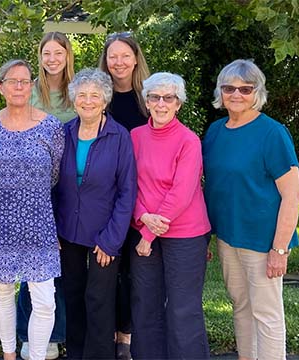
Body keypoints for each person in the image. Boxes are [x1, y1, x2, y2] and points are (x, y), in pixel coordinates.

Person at [203, 59, 299, 360]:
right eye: (229, 87)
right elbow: (212, 187)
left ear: (256, 92)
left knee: (266, 314)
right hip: (228, 237)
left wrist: (280, 250)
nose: (236, 94)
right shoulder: (216, 131)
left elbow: (292, 194)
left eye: (245, 89)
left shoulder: (272, 133)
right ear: (221, 91)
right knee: (241, 306)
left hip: (262, 241)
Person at [0, 59, 64, 360]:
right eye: (11, 80)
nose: (18, 86)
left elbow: (55, 176)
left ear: (32, 86)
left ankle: (37, 356)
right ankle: (9, 354)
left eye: (25, 81)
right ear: (0, 86)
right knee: (3, 293)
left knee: (44, 300)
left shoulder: (51, 127)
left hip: (39, 224)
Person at [54, 68, 137, 359]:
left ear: (105, 101)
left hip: (104, 235)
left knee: (99, 301)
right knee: (73, 299)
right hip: (68, 233)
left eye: (95, 96)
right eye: (82, 95)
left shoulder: (119, 137)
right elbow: (51, 185)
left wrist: (112, 240)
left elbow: (127, 192)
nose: (87, 101)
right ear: (74, 99)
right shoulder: (63, 133)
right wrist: (53, 230)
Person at [129, 72, 211, 359]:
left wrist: (148, 235)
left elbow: (182, 192)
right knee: (145, 306)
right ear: (146, 102)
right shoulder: (135, 136)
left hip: (184, 234)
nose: (161, 104)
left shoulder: (189, 140)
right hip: (144, 229)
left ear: (178, 104)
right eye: (155, 97)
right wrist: (142, 218)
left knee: (182, 308)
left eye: (169, 98)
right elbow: (129, 185)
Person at [18, 32, 74, 359]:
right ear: (39, 57)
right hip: (33, 186)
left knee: (62, 260)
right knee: (33, 262)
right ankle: (30, 333)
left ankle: (57, 331)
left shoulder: (76, 91)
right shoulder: (30, 91)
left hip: (69, 186)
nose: (52, 59)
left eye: (58, 53)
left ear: (68, 56)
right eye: (46, 53)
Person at [97, 31, 150, 359]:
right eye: (112, 56)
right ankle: (107, 334)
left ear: (135, 59)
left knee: (133, 273)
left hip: (142, 198)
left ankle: (127, 337)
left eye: (124, 56)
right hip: (105, 197)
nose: (118, 62)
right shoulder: (98, 98)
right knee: (106, 272)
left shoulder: (150, 98)